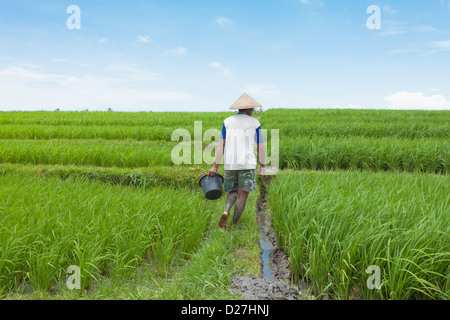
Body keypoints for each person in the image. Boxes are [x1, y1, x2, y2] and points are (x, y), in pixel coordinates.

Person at [208, 93, 266, 230]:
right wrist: (263, 164)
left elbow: (221, 143)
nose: (253, 112)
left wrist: (215, 165)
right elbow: (260, 145)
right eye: (252, 109)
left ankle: (226, 210)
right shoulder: (254, 123)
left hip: (230, 163)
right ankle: (234, 225)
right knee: (243, 194)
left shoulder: (227, 121)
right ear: (249, 109)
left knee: (232, 191)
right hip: (247, 163)